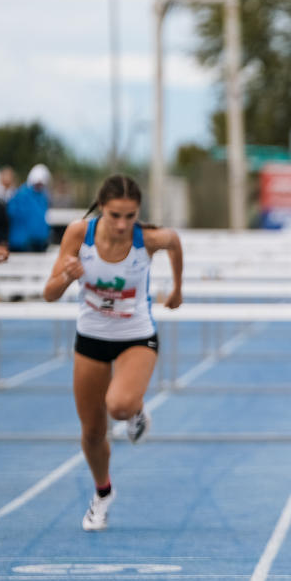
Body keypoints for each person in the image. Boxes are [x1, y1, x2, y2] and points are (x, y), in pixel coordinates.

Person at [42, 175, 183, 531]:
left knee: (118, 405)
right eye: (115, 215)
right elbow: (49, 293)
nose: (122, 225)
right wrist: (66, 277)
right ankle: (103, 493)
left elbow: (175, 242)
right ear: (101, 208)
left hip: (136, 335)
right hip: (91, 337)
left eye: (130, 216)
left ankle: (135, 411)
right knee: (92, 431)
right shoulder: (78, 234)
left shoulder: (148, 239)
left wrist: (177, 288)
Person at [8, 163, 51, 252]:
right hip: (24, 244)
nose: (39, 186)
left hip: (39, 243)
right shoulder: (21, 195)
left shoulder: (43, 197)